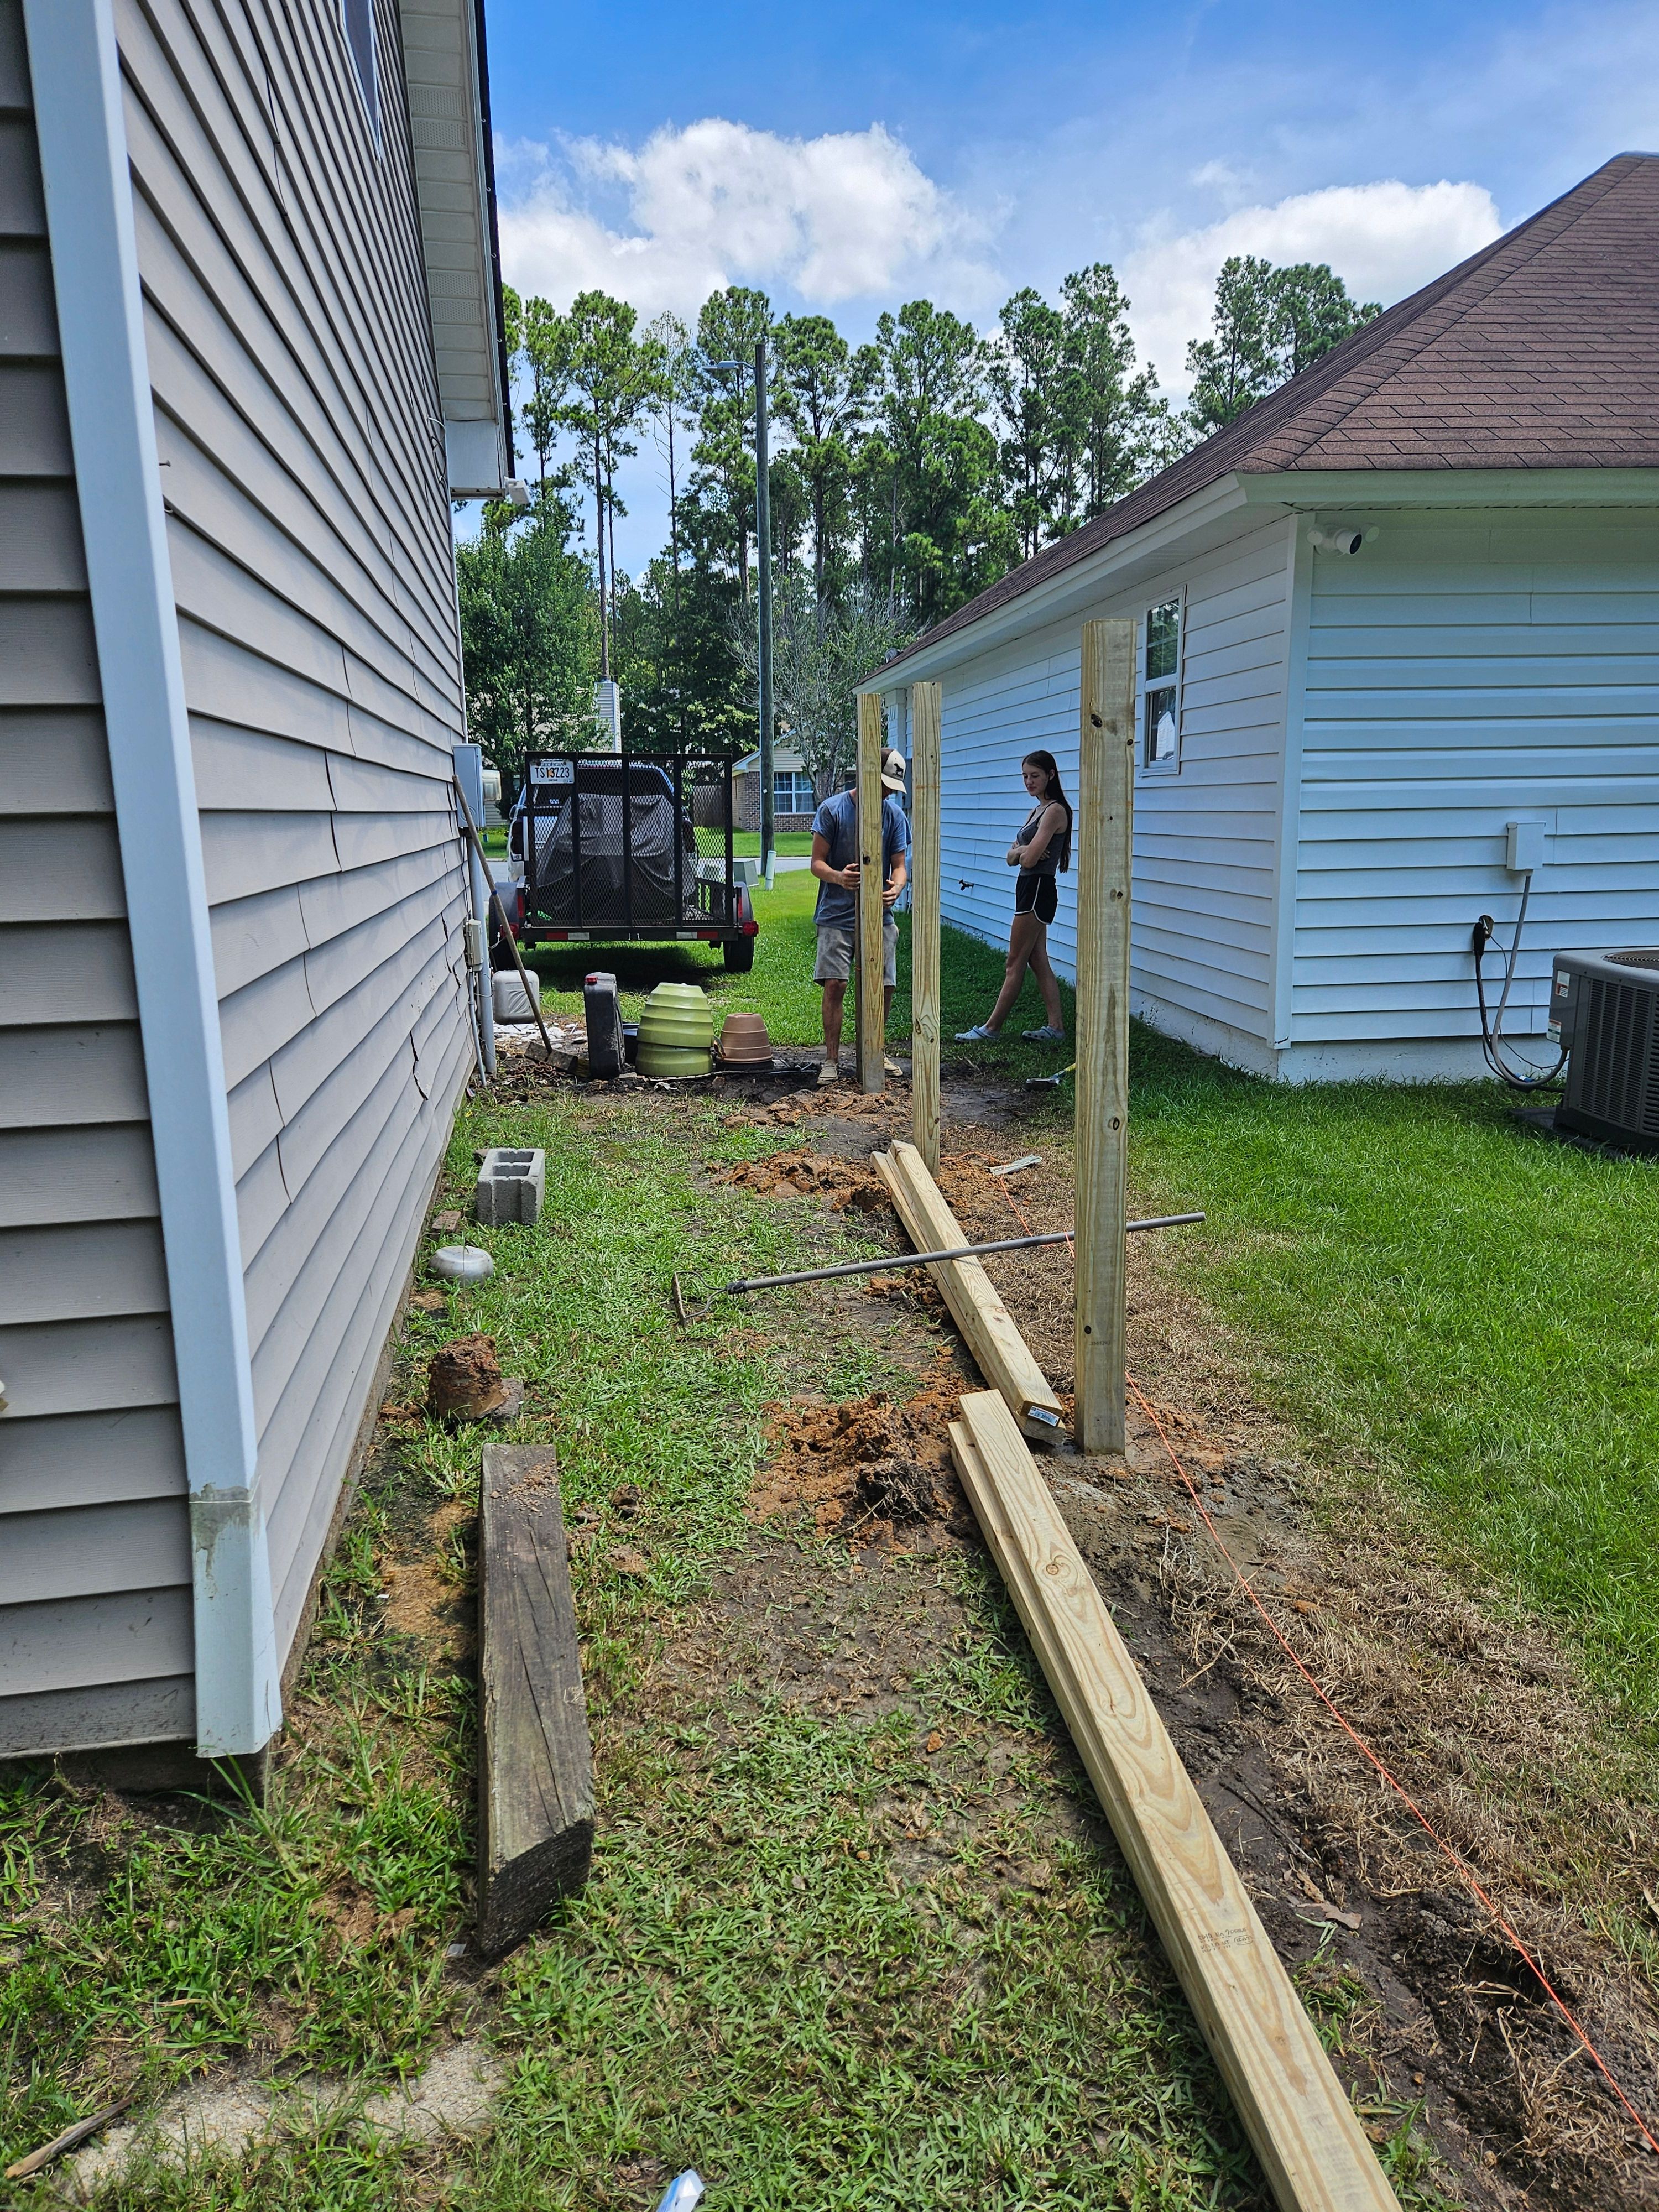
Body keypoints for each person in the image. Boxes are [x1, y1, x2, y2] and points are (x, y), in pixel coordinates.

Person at [810, 747, 911, 1085]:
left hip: (878, 917)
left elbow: (900, 868)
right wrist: (839, 876)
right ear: (866, 775)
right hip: (836, 915)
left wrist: (896, 889)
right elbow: (817, 864)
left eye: (890, 789)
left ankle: (876, 1052)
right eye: (882, 785)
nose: (885, 793)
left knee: (883, 985)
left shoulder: (894, 817)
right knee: (836, 984)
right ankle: (831, 1059)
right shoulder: (833, 810)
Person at [955, 750, 1071, 1044]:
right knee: (1038, 959)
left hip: (1038, 890)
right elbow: (1013, 856)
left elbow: (1031, 860)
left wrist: (1022, 852)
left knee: (1014, 961)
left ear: (1051, 775)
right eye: (1025, 776)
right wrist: (1021, 851)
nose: (1029, 782)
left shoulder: (1055, 811)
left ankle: (991, 1029)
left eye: (1035, 776)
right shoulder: (1037, 810)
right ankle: (1056, 1028)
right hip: (1028, 889)